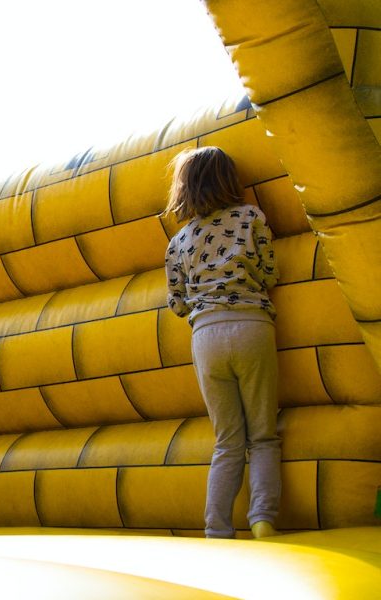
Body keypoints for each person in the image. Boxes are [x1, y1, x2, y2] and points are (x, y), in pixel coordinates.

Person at [163, 146, 281, 540]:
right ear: (231, 181)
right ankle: (262, 519)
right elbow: (269, 272)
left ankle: (217, 530)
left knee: (227, 440)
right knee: (262, 434)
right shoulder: (251, 217)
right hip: (251, 325)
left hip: (206, 336)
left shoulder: (178, 241)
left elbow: (177, 303)